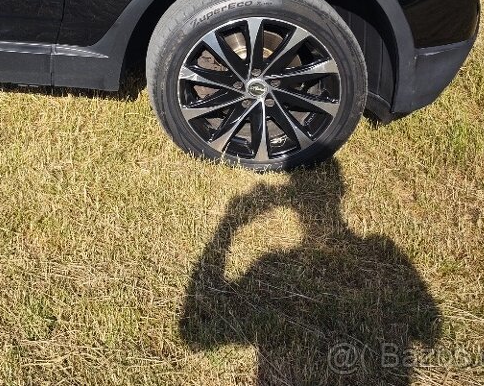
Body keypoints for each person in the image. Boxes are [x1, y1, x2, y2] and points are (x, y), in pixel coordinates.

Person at [181, 159, 440, 384]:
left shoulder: (268, 264)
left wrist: (229, 224)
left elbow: (194, 334)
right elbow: (430, 330)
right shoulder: (382, 251)